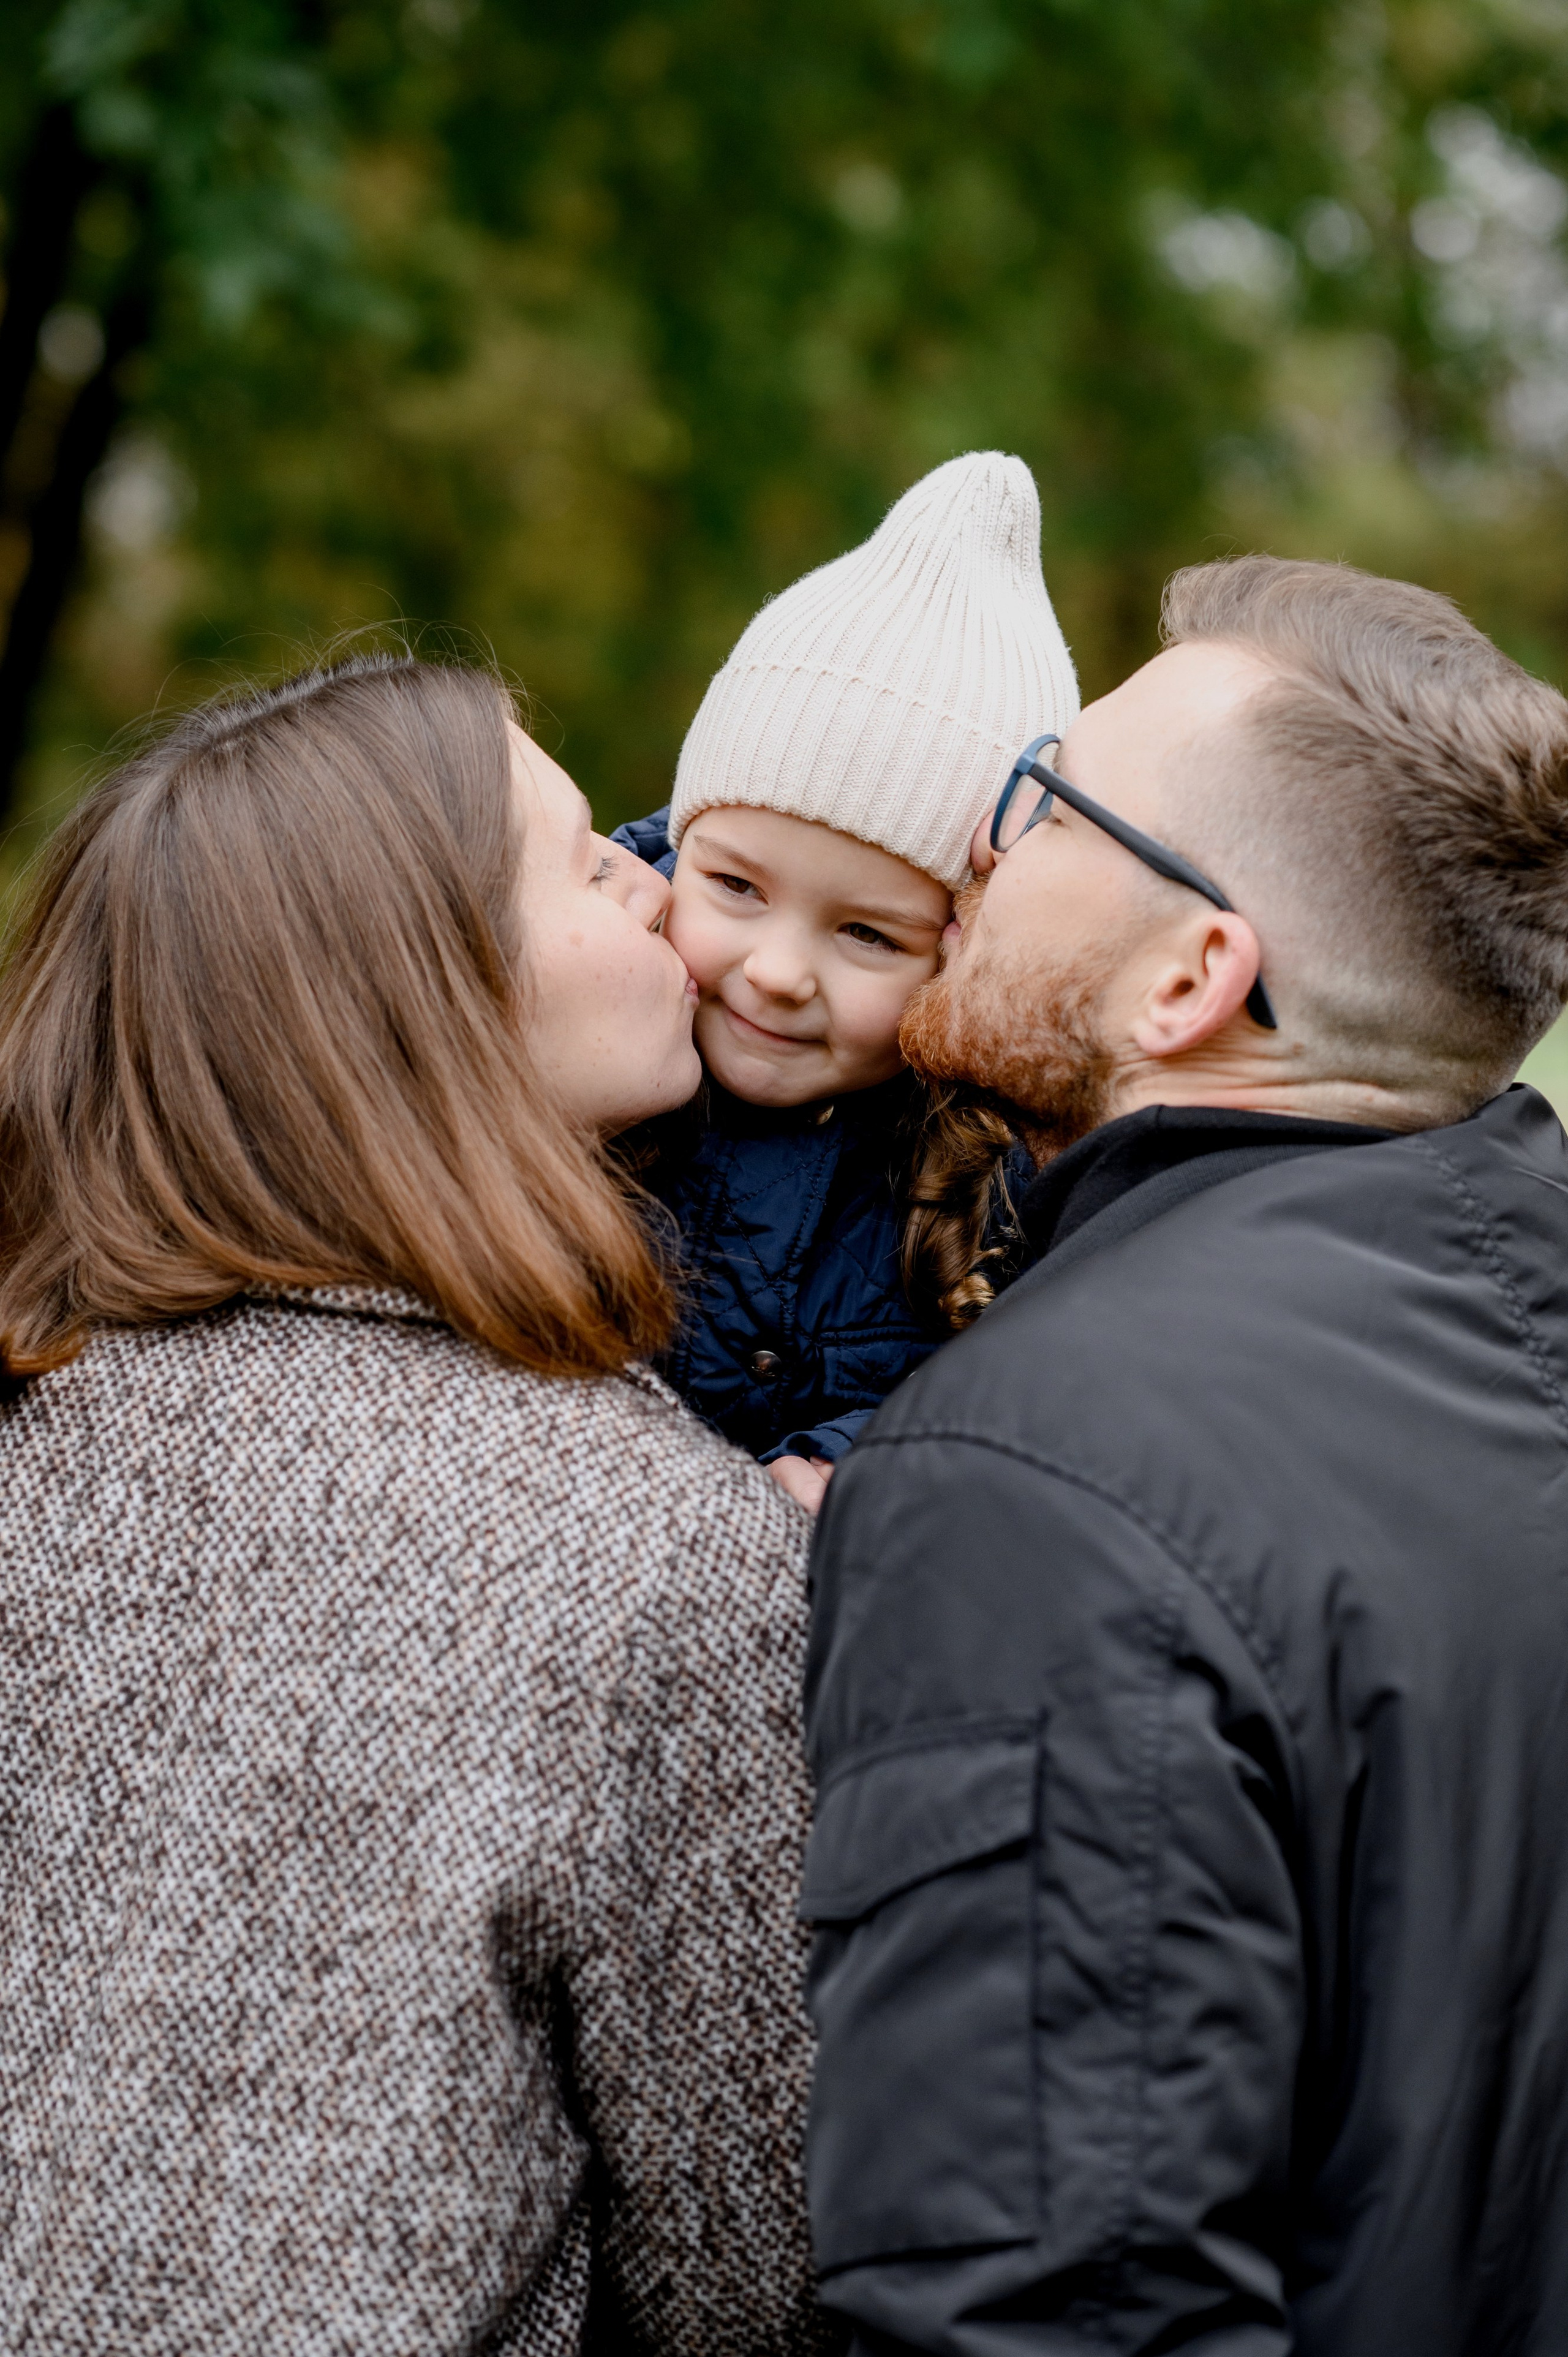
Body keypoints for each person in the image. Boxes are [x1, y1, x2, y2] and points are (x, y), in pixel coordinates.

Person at [0, 654, 839, 2356]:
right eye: (591, 864)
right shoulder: (652, 1547)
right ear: (426, 1006)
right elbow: (757, 2267)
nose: (659, 878)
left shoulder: (35, 1422)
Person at [801, 556, 1568, 2355]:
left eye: (1045, 802)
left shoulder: (1035, 1476)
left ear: (1192, 978)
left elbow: (1044, 2308)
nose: (975, 850)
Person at [613, 453, 1076, 1512]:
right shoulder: (563, 1023)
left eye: (867, 934)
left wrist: (864, 1461)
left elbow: (1012, 1392)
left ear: (961, 954)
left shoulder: (991, 1161)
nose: (775, 973)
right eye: (733, 885)